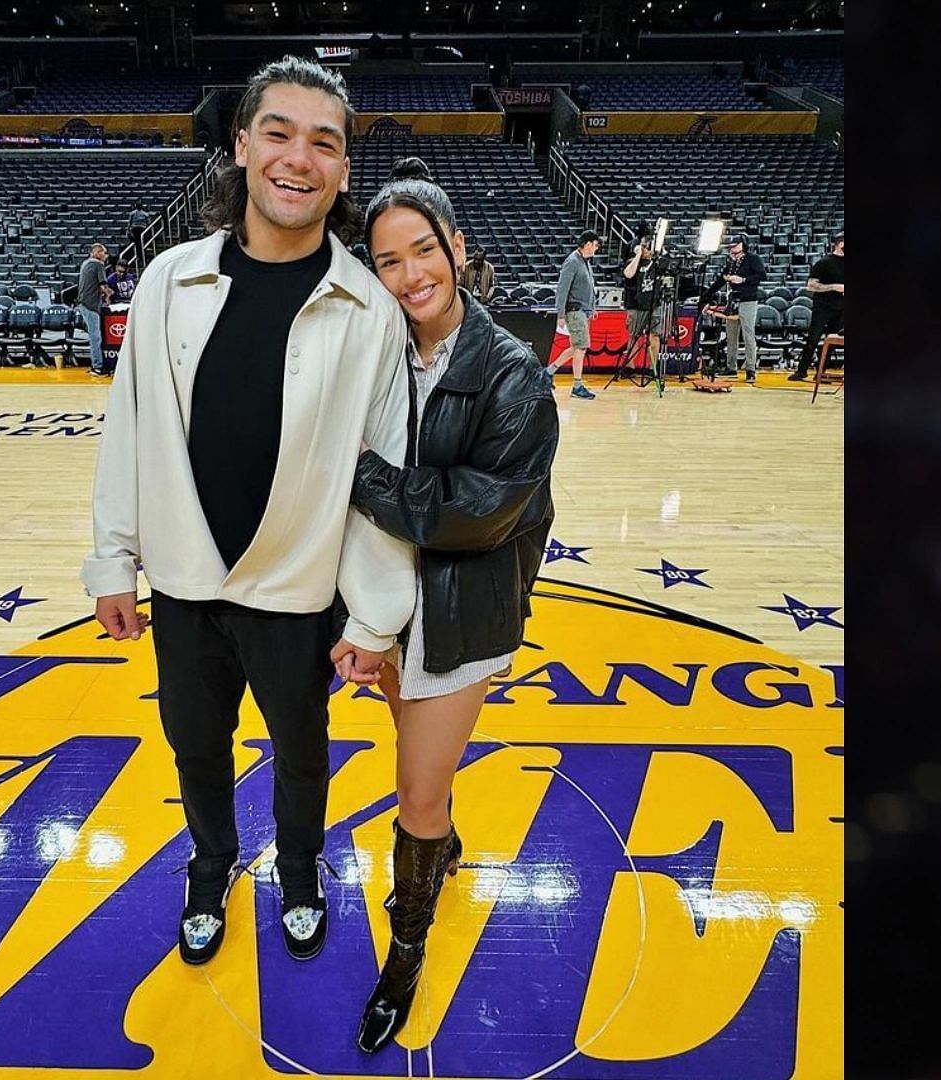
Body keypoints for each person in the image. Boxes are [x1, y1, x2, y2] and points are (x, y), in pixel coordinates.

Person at [82, 55, 416, 972]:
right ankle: (212, 863)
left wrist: (379, 618)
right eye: (279, 132)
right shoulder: (167, 282)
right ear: (240, 146)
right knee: (196, 746)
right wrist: (114, 559)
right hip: (185, 581)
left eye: (324, 142)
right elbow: (130, 428)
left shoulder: (369, 312)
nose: (298, 158)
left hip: (301, 593)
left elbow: (384, 480)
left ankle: (301, 870)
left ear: (344, 169)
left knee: (302, 753)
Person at [347, 156, 559, 1054]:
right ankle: (444, 848)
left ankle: (405, 952)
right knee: (411, 748)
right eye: (388, 261)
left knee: (415, 797)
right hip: (390, 608)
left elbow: (476, 512)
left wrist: (358, 476)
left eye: (423, 251)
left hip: (462, 615)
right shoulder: (375, 352)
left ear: (459, 249)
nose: (410, 276)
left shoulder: (514, 374)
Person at [549, 230, 600, 400]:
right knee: (581, 347)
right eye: (595, 244)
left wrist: (592, 307)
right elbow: (562, 289)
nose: (597, 248)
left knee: (576, 347)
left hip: (583, 311)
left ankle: (548, 372)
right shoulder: (572, 262)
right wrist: (561, 314)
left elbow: (589, 286)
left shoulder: (585, 261)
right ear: (587, 244)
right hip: (574, 310)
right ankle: (577, 386)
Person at [790, 232, 844, 382]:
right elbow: (811, 285)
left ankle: (821, 371)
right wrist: (833, 287)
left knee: (832, 341)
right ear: (840, 244)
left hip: (841, 307)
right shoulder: (823, 262)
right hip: (823, 307)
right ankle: (801, 371)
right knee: (813, 339)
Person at [720, 233, 766, 383]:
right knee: (731, 335)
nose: (732, 248)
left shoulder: (753, 259)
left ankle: (751, 369)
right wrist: (706, 296)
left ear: (743, 245)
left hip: (748, 300)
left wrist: (743, 279)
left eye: (735, 245)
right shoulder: (731, 261)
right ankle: (731, 367)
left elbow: (762, 276)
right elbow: (721, 278)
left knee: (748, 335)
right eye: (731, 246)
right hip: (732, 300)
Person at [620, 233, 664, 379]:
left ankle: (652, 368)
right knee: (634, 337)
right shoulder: (632, 262)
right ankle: (630, 366)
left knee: (654, 337)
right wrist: (638, 255)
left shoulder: (657, 263)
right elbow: (628, 274)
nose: (648, 251)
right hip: (635, 304)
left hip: (653, 303)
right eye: (646, 247)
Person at [76, 242, 108, 374]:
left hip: (83, 303)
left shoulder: (85, 263)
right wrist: (109, 295)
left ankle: (95, 363)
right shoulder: (98, 264)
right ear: (98, 253)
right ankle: (98, 366)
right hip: (91, 305)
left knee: (93, 335)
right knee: (96, 337)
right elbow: (103, 286)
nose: (106, 256)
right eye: (104, 253)